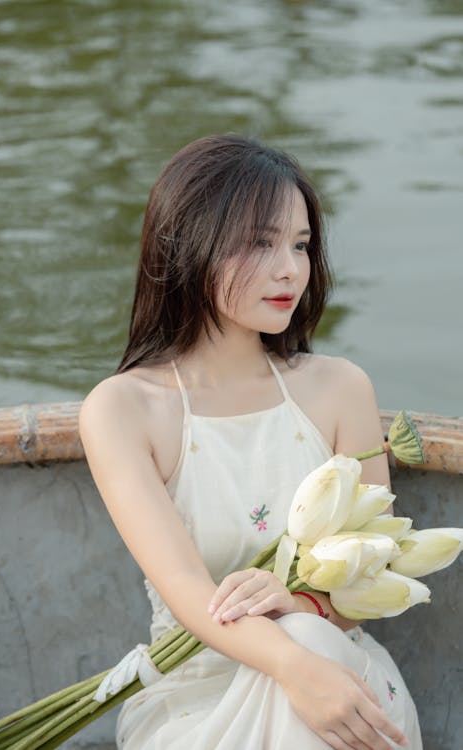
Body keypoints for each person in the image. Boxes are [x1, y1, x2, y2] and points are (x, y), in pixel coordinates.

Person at [79, 134, 423, 749]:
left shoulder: (340, 389)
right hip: (197, 698)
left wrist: (303, 608)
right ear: (190, 246)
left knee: (314, 641)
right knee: (305, 654)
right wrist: (295, 665)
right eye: (259, 243)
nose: (290, 268)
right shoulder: (123, 410)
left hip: (344, 688)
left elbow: (376, 573)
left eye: (300, 244)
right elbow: (188, 590)